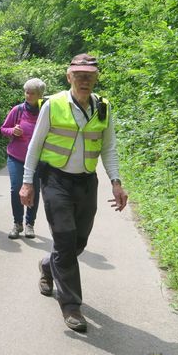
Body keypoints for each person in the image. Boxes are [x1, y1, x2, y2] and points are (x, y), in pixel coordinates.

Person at [20, 54, 128, 333]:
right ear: (69, 77)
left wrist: (116, 182)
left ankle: (47, 265)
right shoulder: (53, 104)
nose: (84, 80)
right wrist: (27, 182)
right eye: (78, 75)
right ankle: (71, 306)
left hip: (86, 182)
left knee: (78, 241)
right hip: (55, 180)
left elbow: (109, 148)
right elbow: (35, 144)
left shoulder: (103, 106)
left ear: (96, 78)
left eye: (89, 75)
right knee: (65, 238)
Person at [0, 78, 46, 240]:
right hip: (16, 157)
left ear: (40, 95)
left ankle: (29, 224)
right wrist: (13, 130)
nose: (28, 95)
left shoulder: (45, 111)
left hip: (37, 160)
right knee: (16, 189)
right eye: (26, 92)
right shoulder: (17, 110)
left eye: (32, 93)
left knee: (34, 190)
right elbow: (3, 128)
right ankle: (17, 223)